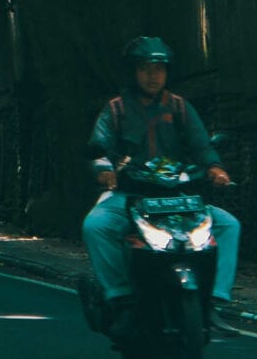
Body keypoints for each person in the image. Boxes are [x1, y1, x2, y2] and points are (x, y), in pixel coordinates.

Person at [83, 37, 240, 324]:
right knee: (95, 225)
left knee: (229, 224)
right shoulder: (115, 109)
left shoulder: (180, 108)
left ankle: (214, 300)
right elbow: (99, 147)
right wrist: (104, 170)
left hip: (179, 197)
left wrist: (216, 169)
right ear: (133, 72)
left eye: (159, 68)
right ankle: (119, 297)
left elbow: (202, 146)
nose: (153, 75)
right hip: (129, 194)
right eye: (145, 68)